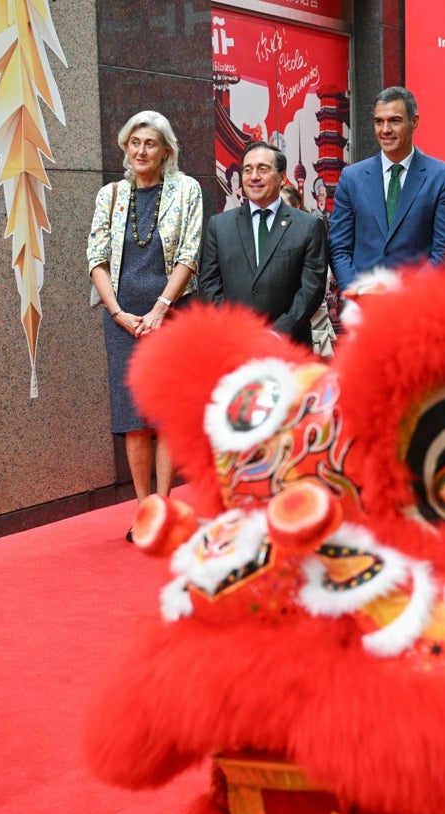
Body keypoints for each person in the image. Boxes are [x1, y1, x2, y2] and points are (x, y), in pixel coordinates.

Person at [87, 110, 203, 538]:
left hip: (170, 314)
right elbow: (95, 259)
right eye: (134, 143)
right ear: (125, 148)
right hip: (121, 319)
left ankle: (166, 507)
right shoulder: (111, 195)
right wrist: (118, 312)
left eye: (150, 143)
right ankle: (144, 512)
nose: (141, 151)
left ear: (166, 150)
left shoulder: (186, 190)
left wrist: (159, 309)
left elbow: (190, 254)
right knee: (134, 416)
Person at [328, 86, 445, 291]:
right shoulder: (351, 178)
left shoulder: (442, 177)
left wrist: (401, 297)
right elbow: (339, 249)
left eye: (395, 120)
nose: (385, 130)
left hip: (417, 306)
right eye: (379, 121)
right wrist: (358, 293)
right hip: (364, 308)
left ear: (414, 122)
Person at [198, 141, 328, 347]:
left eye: (263, 169)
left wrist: (276, 334)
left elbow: (311, 289)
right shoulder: (219, 225)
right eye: (247, 170)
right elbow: (208, 286)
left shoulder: (309, 226)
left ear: (282, 177)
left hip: (289, 346)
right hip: (233, 346)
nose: (254, 177)